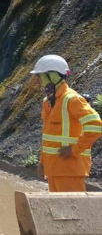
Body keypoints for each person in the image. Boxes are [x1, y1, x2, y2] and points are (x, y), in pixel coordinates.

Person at [32, 55, 102, 192]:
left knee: (73, 206)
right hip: (53, 169)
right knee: (59, 207)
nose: (37, 80)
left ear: (52, 76)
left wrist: (74, 150)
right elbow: (49, 136)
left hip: (70, 170)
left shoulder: (72, 99)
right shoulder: (48, 102)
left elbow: (95, 126)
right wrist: (42, 162)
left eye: (40, 75)